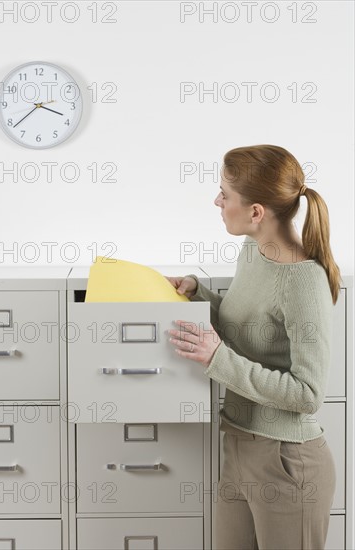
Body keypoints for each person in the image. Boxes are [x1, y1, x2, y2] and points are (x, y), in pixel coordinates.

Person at [166, 144, 342, 550]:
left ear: (256, 211)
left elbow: (308, 394)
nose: (217, 201)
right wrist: (199, 295)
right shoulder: (255, 248)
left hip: (285, 461)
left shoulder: (303, 281)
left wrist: (217, 359)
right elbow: (245, 329)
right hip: (239, 444)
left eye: (225, 194)